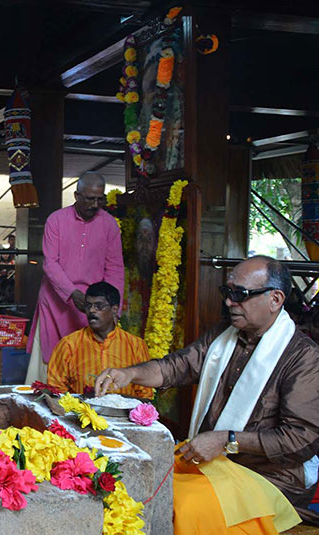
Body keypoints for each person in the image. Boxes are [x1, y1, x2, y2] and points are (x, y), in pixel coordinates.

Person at [95, 256, 319, 533]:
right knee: (137, 481)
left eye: (241, 295)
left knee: (180, 504)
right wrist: (129, 374)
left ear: (275, 299)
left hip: (269, 479)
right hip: (212, 464)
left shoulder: (302, 357)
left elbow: (301, 439)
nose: (229, 302)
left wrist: (228, 441)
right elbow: (179, 366)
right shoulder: (223, 336)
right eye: (228, 293)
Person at [25, 172, 124, 383]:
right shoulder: (56, 220)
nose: (95, 204)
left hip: (93, 305)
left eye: (100, 199)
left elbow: (115, 268)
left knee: (87, 361)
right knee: (50, 362)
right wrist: (72, 293)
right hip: (56, 301)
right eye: (90, 198)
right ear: (76, 195)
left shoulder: (110, 225)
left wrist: (114, 306)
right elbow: (50, 263)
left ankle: (84, 412)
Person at [45, 282, 153, 398]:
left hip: (123, 414)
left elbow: (144, 394)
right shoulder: (68, 345)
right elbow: (56, 390)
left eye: (99, 306)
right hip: (79, 413)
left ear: (114, 310)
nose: (91, 310)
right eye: (88, 305)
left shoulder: (135, 346)